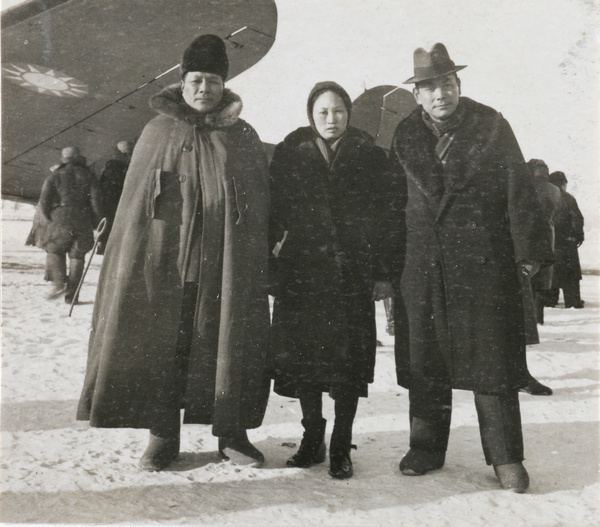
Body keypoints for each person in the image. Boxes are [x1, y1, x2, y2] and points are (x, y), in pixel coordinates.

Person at [77, 35, 271, 471]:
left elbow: (258, 206)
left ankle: (232, 434)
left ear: (225, 86)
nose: (205, 89)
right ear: (182, 83)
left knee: (226, 345)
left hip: (223, 269)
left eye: (214, 81)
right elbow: (133, 214)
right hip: (165, 270)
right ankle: (163, 435)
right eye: (197, 80)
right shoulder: (157, 133)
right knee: (164, 347)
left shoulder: (242, 137)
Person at [390, 44, 552, 492]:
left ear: (459, 85)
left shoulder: (492, 126)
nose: (440, 93)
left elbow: (519, 189)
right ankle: (425, 448)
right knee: (426, 361)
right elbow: (388, 205)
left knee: (493, 363)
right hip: (422, 266)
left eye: (447, 83)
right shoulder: (404, 135)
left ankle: (505, 458)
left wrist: (528, 252)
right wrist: (385, 265)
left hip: (484, 265)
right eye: (429, 87)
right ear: (417, 95)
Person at [269, 81, 398, 479]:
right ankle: (313, 439)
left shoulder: (372, 159)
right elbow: (272, 214)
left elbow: (389, 220)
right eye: (323, 112)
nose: (331, 118)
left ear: (349, 114)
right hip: (302, 276)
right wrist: (269, 265)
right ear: (311, 114)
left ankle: (342, 445)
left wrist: (382, 274)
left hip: (351, 276)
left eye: (339, 111)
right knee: (305, 363)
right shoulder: (290, 155)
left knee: (347, 367)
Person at [26, 146, 103, 304]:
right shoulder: (89, 176)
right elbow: (96, 204)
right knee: (78, 257)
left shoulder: (54, 177)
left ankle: (60, 284)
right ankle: (72, 296)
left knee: (55, 251)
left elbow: (43, 203)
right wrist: (97, 222)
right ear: (78, 158)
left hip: (59, 218)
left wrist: (49, 219)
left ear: (63, 159)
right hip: (82, 219)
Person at [547, 171, 585, 308]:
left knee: (551, 274)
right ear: (563, 183)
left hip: (550, 243)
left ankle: (549, 300)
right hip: (567, 244)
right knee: (570, 276)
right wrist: (577, 236)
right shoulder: (568, 199)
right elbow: (577, 219)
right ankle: (573, 301)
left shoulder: (546, 197)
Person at [97, 140, 133, 254]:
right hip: (119, 200)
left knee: (108, 223)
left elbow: (102, 183)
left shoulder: (109, 167)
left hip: (108, 200)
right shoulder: (126, 167)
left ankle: (103, 246)